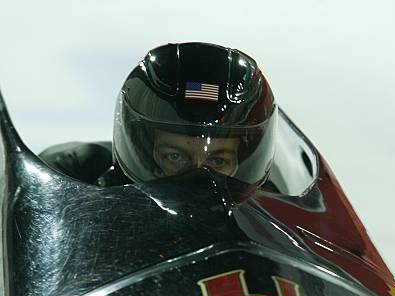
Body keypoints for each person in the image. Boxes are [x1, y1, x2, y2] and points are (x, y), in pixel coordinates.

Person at [40, 42, 278, 199]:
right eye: (175, 157)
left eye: (217, 161)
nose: (196, 180)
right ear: (143, 151)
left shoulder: (270, 211)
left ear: (243, 161)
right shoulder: (78, 186)